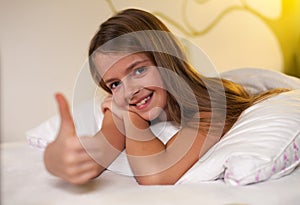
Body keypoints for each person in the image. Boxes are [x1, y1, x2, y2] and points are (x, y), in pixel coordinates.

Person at [43, 8, 288, 185]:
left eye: (139, 70)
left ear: (166, 61)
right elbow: (98, 150)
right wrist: (57, 158)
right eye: (115, 83)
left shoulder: (211, 108)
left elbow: (156, 175)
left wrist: (132, 122)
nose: (129, 91)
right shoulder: (122, 106)